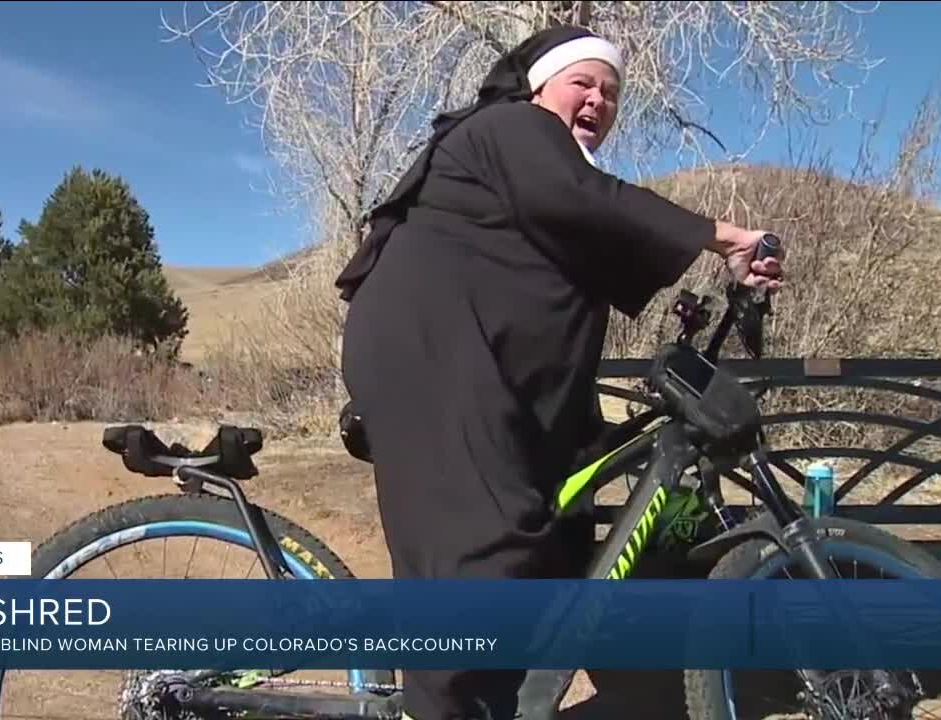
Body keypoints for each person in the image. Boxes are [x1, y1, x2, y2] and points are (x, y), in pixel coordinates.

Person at [334, 24, 784, 720]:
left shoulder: (551, 173)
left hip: (492, 370)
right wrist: (721, 235)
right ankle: (440, 708)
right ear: (540, 85)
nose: (599, 101)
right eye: (584, 83)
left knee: (556, 530)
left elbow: (608, 238)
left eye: (611, 92)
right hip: (434, 353)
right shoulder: (511, 128)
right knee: (479, 545)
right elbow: (592, 203)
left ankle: (496, 702)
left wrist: (722, 278)